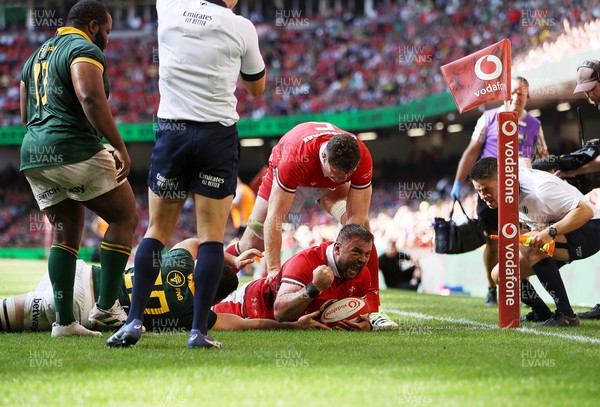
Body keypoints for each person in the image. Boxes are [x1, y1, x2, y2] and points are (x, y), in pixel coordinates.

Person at [107, 0, 266, 349]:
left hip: (172, 132)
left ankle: (133, 322)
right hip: (217, 135)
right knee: (210, 237)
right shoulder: (241, 26)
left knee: (156, 230)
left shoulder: (168, 7)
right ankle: (198, 331)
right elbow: (256, 88)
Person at [19, 0, 138, 337]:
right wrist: (118, 145)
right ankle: (105, 309)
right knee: (125, 216)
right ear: (92, 24)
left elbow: (26, 116)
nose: (108, 39)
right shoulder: (82, 47)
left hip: (34, 154)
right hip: (70, 146)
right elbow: (89, 97)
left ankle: (64, 323)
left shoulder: (34, 55)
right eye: (107, 31)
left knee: (66, 228)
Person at [224, 121, 397, 330]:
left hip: (322, 180)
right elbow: (275, 218)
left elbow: (356, 220)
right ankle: (211, 282)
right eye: (336, 173)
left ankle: (372, 311)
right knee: (250, 244)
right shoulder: (295, 158)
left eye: (346, 176)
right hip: (292, 170)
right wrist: (274, 270)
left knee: (363, 233)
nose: (341, 179)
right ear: (324, 157)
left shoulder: (361, 158)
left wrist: (346, 270)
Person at [0, 238, 326, 333]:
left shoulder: (179, 263)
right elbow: (250, 322)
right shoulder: (194, 317)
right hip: (86, 310)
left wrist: (231, 258)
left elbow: (198, 240)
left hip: (82, 278)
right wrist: (295, 325)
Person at [451, 76, 549, 306]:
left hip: (521, 192)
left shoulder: (535, 125)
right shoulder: (488, 118)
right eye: (512, 92)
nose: (516, 98)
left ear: (528, 96)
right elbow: (471, 151)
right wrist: (458, 182)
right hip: (490, 192)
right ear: (506, 94)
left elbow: (545, 156)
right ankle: (491, 287)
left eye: (521, 93)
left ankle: (522, 292)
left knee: (520, 241)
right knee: (493, 242)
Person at [469, 157, 600, 326]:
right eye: (479, 191)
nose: (483, 196)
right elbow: (523, 160)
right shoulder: (514, 175)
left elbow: (586, 212)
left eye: (487, 189)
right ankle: (541, 313)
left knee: (528, 243)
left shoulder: (540, 190)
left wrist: (550, 232)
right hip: (558, 233)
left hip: (590, 229)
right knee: (502, 275)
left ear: (504, 179)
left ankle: (566, 315)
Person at [215, 224, 381, 332]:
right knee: (200, 318)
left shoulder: (362, 274)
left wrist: (365, 324)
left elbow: (360, 313)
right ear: (337, 249)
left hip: (289, 319)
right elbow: (280, 313)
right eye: (356, 252)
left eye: (367, 254)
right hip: (245, 306)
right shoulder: (305, 263)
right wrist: (313, 287)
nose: (363, 260)